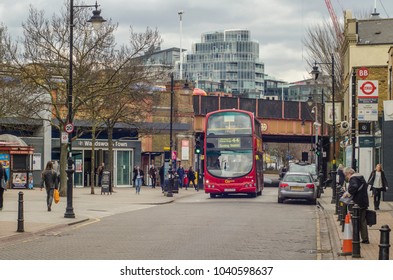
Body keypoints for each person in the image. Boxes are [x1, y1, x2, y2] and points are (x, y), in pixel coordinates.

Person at [342, 167, 369, 244]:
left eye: (346, 175)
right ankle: (365, 238)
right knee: (363, 220)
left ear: (349, 173)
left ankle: (356, 238)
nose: (347, 177)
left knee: (356, 221)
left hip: (357, 203)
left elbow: (354, 187)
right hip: (364, 202)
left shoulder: (354, 179)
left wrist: (347, 193)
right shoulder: (361, 178)